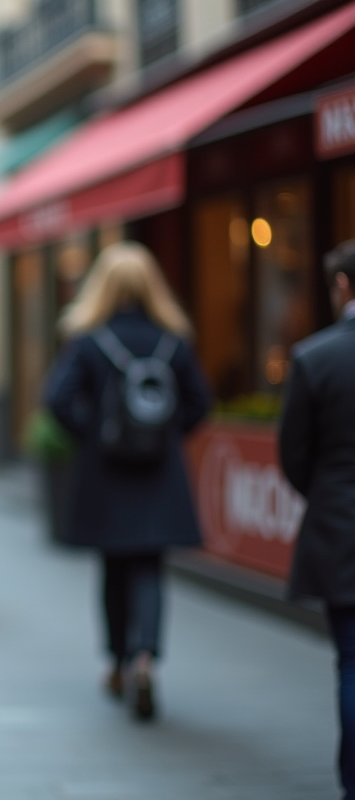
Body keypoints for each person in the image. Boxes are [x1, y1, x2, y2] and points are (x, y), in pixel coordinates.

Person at [44, 241, 210, 721]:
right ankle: (146, 660)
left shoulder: (89, 341)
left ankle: (117, 662)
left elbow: (57, 399)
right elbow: (200, 403)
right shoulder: (173, 341)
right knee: (150, 567)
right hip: (159, 475)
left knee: (113, 568)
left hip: (107, 474)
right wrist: (165, 435)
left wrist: (93, 435)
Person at [278, 238, 355, 800]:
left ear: (343, 285)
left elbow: (294, 454)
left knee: (351, 660)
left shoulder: (314, 357)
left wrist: (328, 495)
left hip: (340, 529)